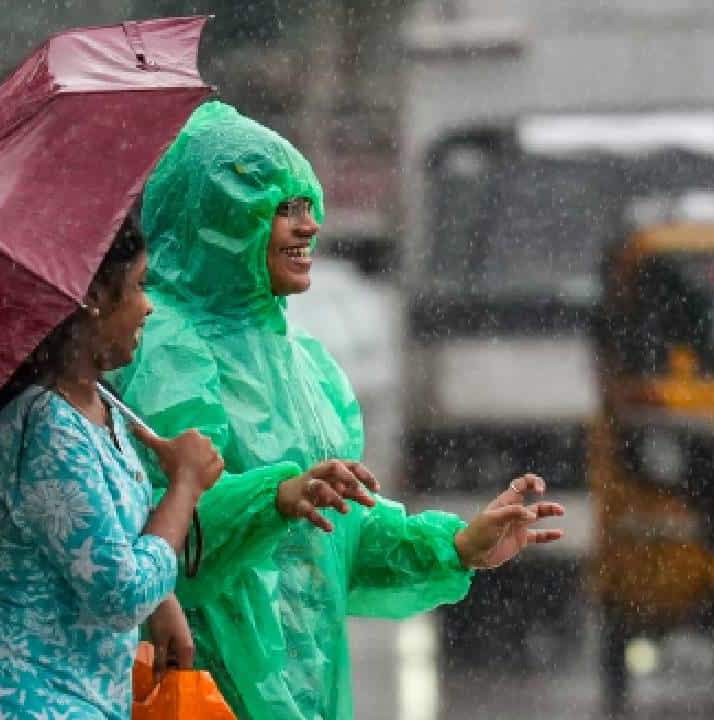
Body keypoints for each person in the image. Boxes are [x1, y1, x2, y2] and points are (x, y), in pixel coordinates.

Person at [109, 101, 565, 720]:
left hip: (307, 693)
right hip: (206, 686)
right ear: (219, 219)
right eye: (280, 209)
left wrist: (456, 547)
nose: (308, 226)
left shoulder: (302, 364)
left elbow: (336, 537)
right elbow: (167, 540)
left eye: (308, 206)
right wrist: (275, 496)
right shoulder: (166, 347)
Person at [0, 205, 226, 719]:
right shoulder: (46, 430)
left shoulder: (101, 405)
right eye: (137, 287)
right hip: (21, 702)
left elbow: (104, 540)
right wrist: (183, 486)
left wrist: (163, 603)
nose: (148, 307)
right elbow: (117, 594)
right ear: (91, 297)